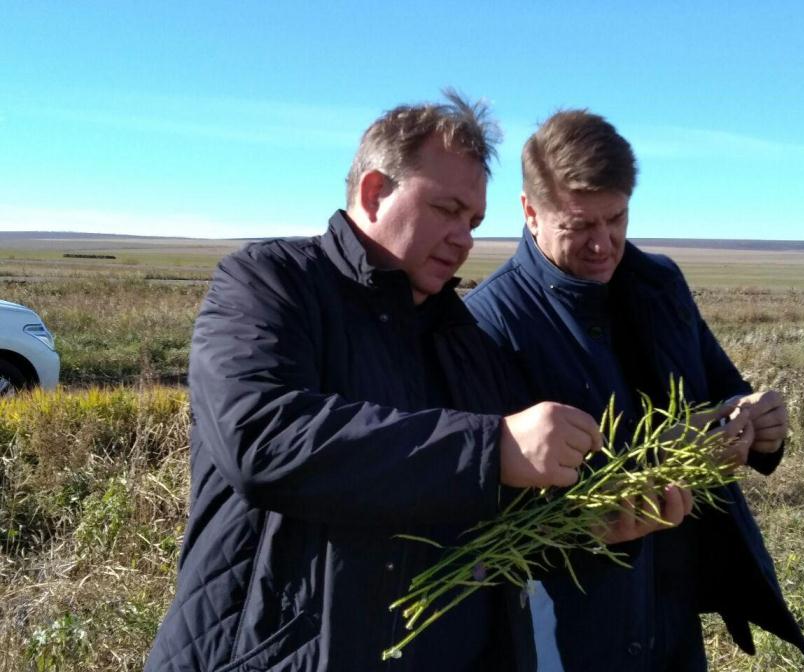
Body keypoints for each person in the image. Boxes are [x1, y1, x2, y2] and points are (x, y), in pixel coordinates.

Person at [144, 94, 692, 672]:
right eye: (446, 209)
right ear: (375, 191)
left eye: (474, 221)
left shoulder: (464, 341)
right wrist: (493, 448)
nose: (465, 239)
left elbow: (501, 531)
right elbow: (262, 438)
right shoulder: (269, 283)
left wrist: (590, 527)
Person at [465, 110, 804, 671]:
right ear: (530, 212)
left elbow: (724, 392)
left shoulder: (661, 285)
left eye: (617, 219)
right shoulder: (487, 324)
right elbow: (487, 519)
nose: (603, 244)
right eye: (580, 225)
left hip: (673, 607)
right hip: (572, 626)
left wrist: (760, 428)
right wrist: (601, 522)